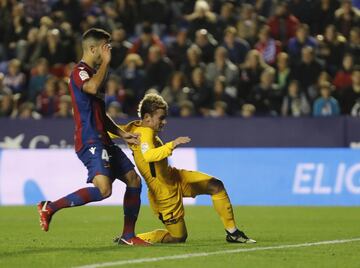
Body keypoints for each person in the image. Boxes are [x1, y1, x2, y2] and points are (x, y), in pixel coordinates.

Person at [37, 28, 149, 246]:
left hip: (103, 139)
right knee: (104, 190)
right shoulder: (80, 71)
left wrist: (122, 134)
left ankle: (128, 236)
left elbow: (102, 115)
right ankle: (49, 207)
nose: (108, 51)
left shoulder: (96, 74)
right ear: (92, 48)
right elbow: (91, 86)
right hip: (90, 140)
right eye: (105, 47)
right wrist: (106, 63)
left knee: (133, 180)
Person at [112, 93, 255, 244]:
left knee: (215, 185)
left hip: (174, 177)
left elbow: (111, 129)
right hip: (164, 192)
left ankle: (233, 233)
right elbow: (149, 155)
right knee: (178, 237)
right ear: (147, 117)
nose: (165, 122)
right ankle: (133, 238)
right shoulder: (145, 133)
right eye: (161, 118)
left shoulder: (134, 126)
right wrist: (171, 145)